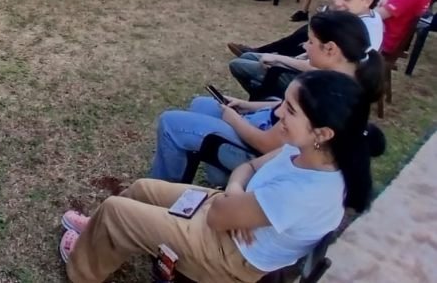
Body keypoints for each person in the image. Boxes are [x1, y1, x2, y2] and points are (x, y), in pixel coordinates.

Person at [60, 70, 379, 283]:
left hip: (228, 256)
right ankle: (101, 236)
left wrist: (232, 199)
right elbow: (249, 168)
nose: (279, 113)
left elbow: (216, 219)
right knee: (142, 188)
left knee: (118, 212)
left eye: (291, 110)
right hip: (230, 214)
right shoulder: (308, 152)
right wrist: (237, 193)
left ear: (322, 132)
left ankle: (81, 269)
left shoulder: (305, 191)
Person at [150, 10, 382, 186]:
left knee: (171, 122)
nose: (304, 46)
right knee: (200, 103)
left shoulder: (329, 93)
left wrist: (234, 119)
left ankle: (160, 189)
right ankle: (205, 169)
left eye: (310, 42)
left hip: (258, 153)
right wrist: (247, 105)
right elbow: (285, 107)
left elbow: (268, 144)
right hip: (261, 126)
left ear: (330, 49)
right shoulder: (335, 79)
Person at [229, 0, 384, 98]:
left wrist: (280, 59)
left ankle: (271, 99)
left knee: (239, 65)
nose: (337, 2)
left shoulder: (361, 30)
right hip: (314, 67)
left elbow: (326, 71)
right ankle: (268, 97)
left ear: (367, 1)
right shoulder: (359, 17)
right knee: (248, 58)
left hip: (324, 85)